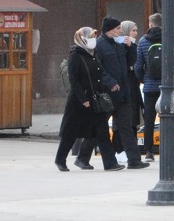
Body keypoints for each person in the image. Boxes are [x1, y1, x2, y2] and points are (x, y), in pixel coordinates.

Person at [81, 16, 150, 170]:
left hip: (123, 93)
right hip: (107, 95)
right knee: (99, 126)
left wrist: (131, 47)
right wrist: (110, 82)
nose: (120, 31)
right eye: (118, 28)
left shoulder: (119, 44)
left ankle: (134, 159)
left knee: (126, 127)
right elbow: (97, 68)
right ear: (110, 30)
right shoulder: (99, 45)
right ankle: (82, 157)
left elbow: (131, 62)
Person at [54, 27, 124, 172]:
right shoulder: (76, 55)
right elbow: (73, 79)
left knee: (102, 131)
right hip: (79, 102)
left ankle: (110, 163)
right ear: (82, 39)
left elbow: (100, 73)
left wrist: (109, 84)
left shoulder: (93, 55)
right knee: (70, 133)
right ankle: (60, 160)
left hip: (95, 100)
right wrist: (82, 98)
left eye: (93, 37)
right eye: (90, 37)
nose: (93, 40)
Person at [134, 13, 174, 162]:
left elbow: (138, 65)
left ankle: (149, 152)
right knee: (168, 118)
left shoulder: (142, 41)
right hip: (167, 86)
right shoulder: (170, 40)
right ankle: (167, 149)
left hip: (149, 88)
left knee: (149, 120)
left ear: (150, 24)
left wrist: (143, 80)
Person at [115, 20, 144, 157]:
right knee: (123, 121)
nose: (135, 33)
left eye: (136, 30)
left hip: (133, 87)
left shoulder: (134, 46)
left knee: (132, 122)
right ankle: (121, 151)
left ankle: (132, 153)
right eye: (133, 30)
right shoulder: (118, 46)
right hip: (123, 87)